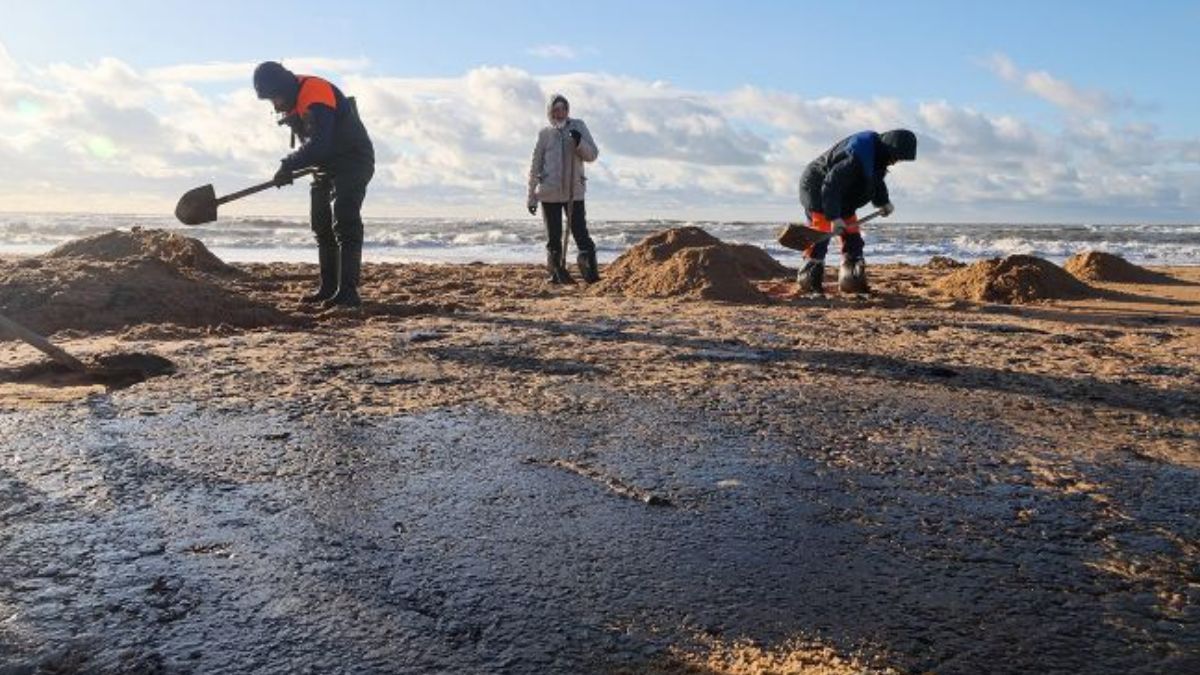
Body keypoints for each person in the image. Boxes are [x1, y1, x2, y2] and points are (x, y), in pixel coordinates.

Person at [253, 61, 375, 307]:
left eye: (275, 97)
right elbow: (315, 149)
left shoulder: (315, 92)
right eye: (270, 101)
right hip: (324, 167)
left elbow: (320, 144)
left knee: (345, 220)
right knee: (321, 225)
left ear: (284, 87)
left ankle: (348, 292)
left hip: (353, 161)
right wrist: (293, 166)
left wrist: (288, 165)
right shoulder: (292, 100)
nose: (275, 105)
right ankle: (328, 288)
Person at [796, 129, 917, 295]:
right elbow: (832, 184)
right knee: (821, 236)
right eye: (895, 157)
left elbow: (876, 180)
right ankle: (809, 284)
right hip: (817, 189)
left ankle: (851, 283)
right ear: (889, 148)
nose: (895, 162)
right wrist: (834, 217)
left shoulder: (877, 157)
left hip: (843, 197)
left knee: (852, 237)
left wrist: (883, 202)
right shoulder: (856, 156)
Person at [526, 94, 600, 284]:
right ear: (550, 112)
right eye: (555, 110)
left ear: (568, 111)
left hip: (573, 192)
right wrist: (531, 197)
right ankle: (557, 274)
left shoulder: (578, 126)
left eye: (563, 109)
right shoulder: (544, 134)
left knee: (580, 233)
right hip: (549, 193)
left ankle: (590, 272)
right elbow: (536, 165)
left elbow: (592, 155)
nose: (560, 113)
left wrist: (579, 142)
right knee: (553, 238)